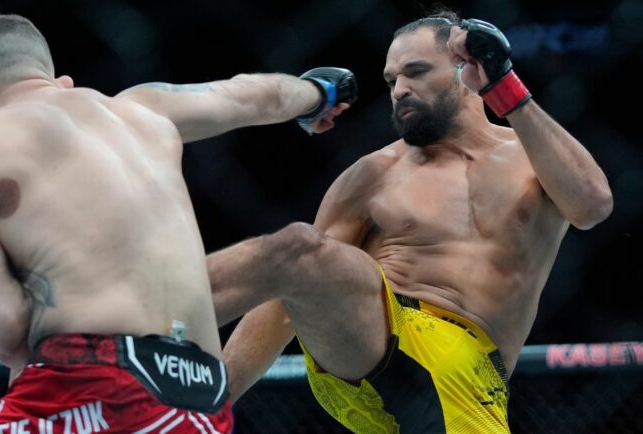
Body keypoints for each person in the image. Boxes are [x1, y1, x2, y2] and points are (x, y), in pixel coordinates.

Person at [0, 14, 356, 434]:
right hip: (202, 396)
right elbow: (252, 95)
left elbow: (3, 330)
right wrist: (319, 93)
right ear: (61, 83)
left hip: (90, 384)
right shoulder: (141, 109)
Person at [207, 11, 613, 434]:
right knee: (297, 247)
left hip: (467, 387)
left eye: (415, 73)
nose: (400, 90)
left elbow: (592, 206)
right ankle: (166, 355)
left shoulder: (534, 156)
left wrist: (504, 85)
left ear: (467, 70)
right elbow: (287, 294)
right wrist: (216, 406)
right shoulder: (373, 174)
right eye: (391, 80)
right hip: (379, 347)